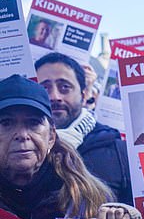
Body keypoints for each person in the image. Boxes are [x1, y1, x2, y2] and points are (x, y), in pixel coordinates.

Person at [0, 74, 140, 219]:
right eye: (6, 123)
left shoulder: (89, 199)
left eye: (34, 123)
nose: (22, 134)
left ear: (51, 136)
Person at [35, 52, 133, 205]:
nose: (54, 96)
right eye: (45, 88)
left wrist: (126, 213)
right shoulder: (20, 150)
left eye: (65, 87)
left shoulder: (119, 152)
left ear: (84, 94)